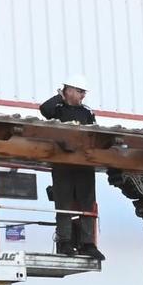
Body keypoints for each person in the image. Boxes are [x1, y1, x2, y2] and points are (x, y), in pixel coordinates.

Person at [38, 75, 103, 259]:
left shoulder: (87, 112)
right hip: (62, 164)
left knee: (87, 204)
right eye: (80, 92)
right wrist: (60, 97)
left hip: (84, 164)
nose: (83, 96)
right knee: (63, 203)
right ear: (70, 90)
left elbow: (94, 133)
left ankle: (88, 244)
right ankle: (65, 242)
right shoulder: (57, 109)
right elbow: (44, 109)